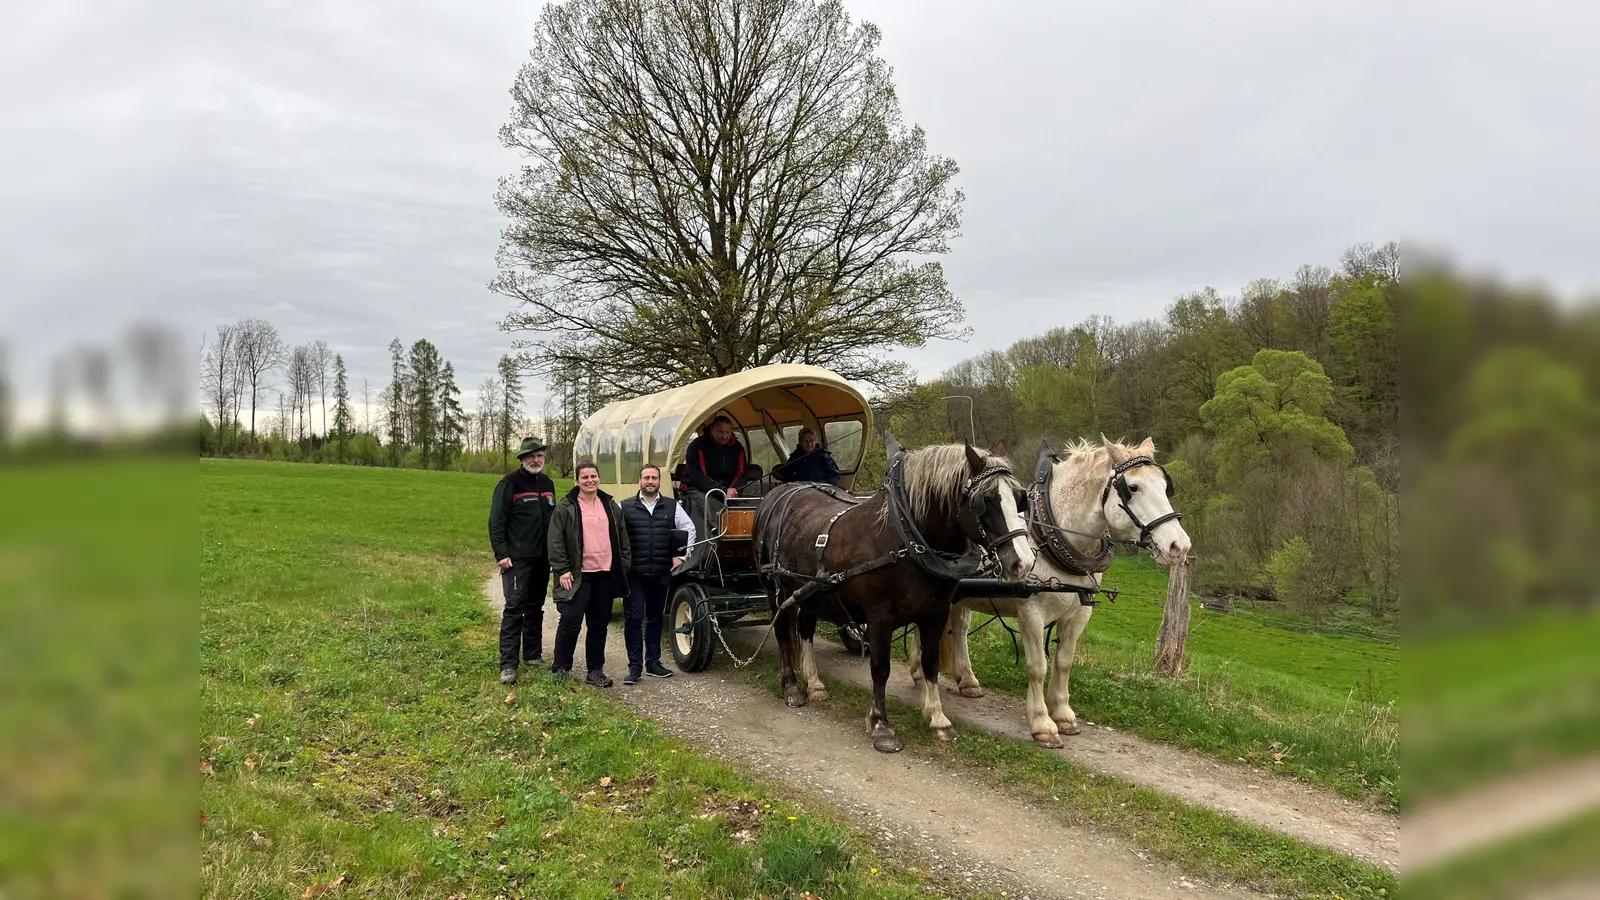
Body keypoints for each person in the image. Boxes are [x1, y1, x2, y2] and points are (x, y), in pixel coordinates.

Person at [547, 461, 631, 687]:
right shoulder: (567, 507)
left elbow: (623, 539)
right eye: (584, 477)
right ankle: (561, 668)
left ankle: (595, 670)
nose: (590, 480)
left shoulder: (611, 506)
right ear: (577, 481)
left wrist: (623, 566)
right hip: (577, 576)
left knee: (599, 624)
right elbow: (555, 541)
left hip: (604, 574)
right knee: (570, 621)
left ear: (598, 478)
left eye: (593, 476)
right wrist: (563, 569)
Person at [488, 436, 557, 685]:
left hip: (542, 559)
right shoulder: (509, 484)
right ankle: (508, 665)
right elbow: (497, 522)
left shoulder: (548, 483)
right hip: (517, 561)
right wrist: (502, 554)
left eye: (539, 456)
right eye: (531, 456)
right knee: (514, 609)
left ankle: (532, 655)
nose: (536, 460)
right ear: (522, 459)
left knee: (535, 608)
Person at [619, 464, 696, 685]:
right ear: (639, 481)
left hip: (661, 573)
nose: (650, 481)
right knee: (633, 619)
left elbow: (689, 529)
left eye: (654, 478)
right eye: (646, 478)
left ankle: (653, 663)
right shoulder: (625, 507)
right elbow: (615, 536)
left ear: (659, 482)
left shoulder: (672, 507)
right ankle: (634, 667)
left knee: (654, 619)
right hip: (635, 574)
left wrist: (682, 556)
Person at [683, 415, 749, 497]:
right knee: (711, 505)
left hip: (730, 491)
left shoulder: (737, 448)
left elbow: (742, 473)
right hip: (702, 490)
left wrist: (734, 490)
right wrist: (722, 492)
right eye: (720, 432)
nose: (724, 436)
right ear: (712, 430)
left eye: (727, 432)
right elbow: (698, 476)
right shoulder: (697, 446)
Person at [775, 428, 841, 486]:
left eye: (812, 441)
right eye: (805, 441)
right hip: (798, 492)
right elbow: (787, 476)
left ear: (815, 441)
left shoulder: (824, 457)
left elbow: (835, 476)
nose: (809, 444)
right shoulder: (794, 458)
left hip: (820, 492)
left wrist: (824, 485)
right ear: (800, 442)